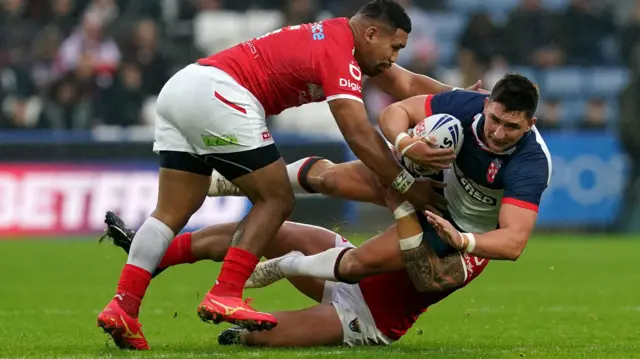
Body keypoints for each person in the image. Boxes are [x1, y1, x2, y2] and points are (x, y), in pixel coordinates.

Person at [96, 0, 479, 350]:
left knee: (171, 212)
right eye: (394, 48)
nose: (394, 58)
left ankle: (123, 305)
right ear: (371, 33)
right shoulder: (339, 52)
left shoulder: (340, 41)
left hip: (184, 87)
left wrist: (468, 100)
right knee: (276, 198)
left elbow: (406, 84)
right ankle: (226, 292)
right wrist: (406, 185)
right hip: (223, 93)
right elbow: (359, 134)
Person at [209, 73, 552, 292]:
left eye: (511, 127)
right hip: (427, 175)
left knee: (361, 263)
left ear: (529, 123)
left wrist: (461, 238)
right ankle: (233, 182)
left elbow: (513, 243)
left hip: (450, 220)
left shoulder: (531, 163)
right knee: (329, 178)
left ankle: (287, 265)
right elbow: (395, 112)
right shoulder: (466, 105)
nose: (498, 132)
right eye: (494, 119)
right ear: (487, 104)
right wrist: (406, 143)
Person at [99, 181, 489, 348]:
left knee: (248, 335)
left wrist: (287, 267)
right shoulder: (445, 190)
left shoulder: (480, 244)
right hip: (346, 264)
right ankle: (155, 253)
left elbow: (367, 263)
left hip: (368, 316)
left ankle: (251, 331)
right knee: (269, 226)